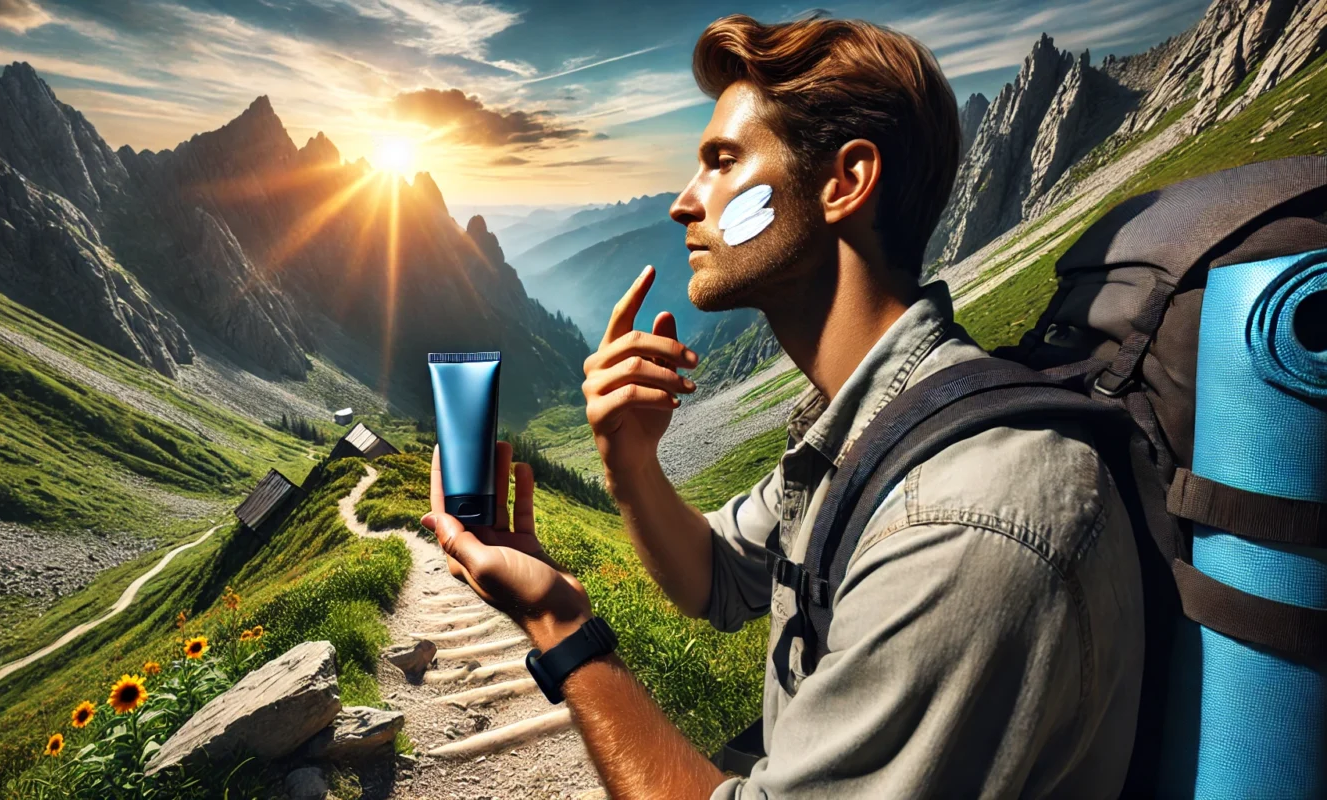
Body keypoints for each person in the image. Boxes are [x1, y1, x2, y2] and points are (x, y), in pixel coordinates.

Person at [420, 12, 1145, 799]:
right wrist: (628, 460)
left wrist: (562, 628)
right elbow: (718, 578)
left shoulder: (959, 520)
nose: (682, 203)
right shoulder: (875, 425)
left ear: (845, 181)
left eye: (722, 162)